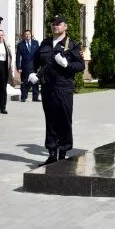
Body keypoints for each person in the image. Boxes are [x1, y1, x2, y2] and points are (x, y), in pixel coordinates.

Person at [28, 15, 85, 165]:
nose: (55, 26)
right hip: (48, 88)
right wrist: (31, 73)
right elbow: (34, 61)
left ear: (65, 27)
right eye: (53, 23)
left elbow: (80, 66)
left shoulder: (71, 45)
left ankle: (63, 154)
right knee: (51, 121)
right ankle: (52, 154)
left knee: (64, 120)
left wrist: (67, 64)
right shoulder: (45, 44)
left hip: (64, 88)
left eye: (59, 24)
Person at [16, 29, 40, 102]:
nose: (27, 35)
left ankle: (35, 97)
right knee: (24, 82)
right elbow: (18, 57)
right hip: (24, 66)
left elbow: (38, 55)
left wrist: (39, 65)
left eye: (28, 34)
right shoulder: (20, 44)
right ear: (24, 36)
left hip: (34, 66)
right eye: (26, 34)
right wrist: (18, 67)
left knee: (35, 81)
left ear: (31, 35)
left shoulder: (36, 43)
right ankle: (23, 97)